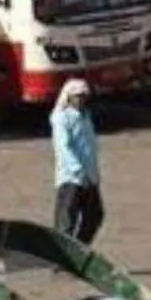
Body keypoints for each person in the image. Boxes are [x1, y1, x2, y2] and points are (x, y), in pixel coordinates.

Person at [50, 78, 103, 245]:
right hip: (70, 178)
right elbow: (63, 147)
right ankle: (61, 258)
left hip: (89, 177)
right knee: (66, 221)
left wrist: (92, 175)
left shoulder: (85, 116)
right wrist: (77, 170)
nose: (81, 100)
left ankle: (79, 248)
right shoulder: (62, 117)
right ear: (69, 97)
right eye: (78, 96)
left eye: (84, 96)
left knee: (94, 216)